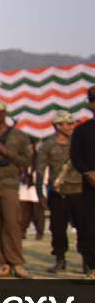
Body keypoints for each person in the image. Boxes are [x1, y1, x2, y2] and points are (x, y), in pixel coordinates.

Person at [0, 100, 33, 278]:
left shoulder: (18, 136)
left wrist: (5, 152)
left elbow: (27, 161)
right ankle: (2, 263)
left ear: (4, 113)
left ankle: (17, 263)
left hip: (9, 185)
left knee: (13, 225)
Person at [37, 111, 82, 274]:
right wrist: (39, 194)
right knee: (57, 229)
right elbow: (40, 171)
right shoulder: (47, 145)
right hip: (58, 193)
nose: (71, 127)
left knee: (85, 229)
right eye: (68, 124)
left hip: (79, 191)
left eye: (72, 123)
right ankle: (60, 259)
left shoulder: (79, 143)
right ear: (58, 125)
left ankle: (88, 261)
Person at [69, 87, 95, 277]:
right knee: (90, 227)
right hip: (91, 186)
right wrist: (88, 172)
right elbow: (76, 156)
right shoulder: (81, 131)